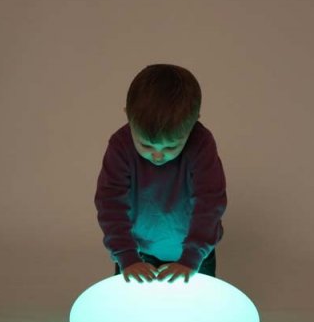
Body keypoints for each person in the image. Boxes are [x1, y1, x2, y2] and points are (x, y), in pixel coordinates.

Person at [94, 63, 227, 284]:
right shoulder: (120, 145)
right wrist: (127, 256)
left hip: (196, 255)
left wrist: (191, 257)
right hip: (138, 252)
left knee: (194, 304)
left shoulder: (201, 144)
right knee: (134, 303)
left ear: (193, 122)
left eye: (170, 147)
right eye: (146, 145)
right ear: (128, 117)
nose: (157, 156)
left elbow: (209, 203)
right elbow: (111, 203)